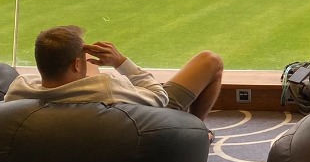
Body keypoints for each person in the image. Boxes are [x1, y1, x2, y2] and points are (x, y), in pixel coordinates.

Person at [4, 25, 224, 136]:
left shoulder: (17, 91)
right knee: (210, 60)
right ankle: (197, 133)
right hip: (155, 116)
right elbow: (159, 96)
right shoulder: (106, 88)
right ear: (76, 65)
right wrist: (121, 62)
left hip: (68, 108)